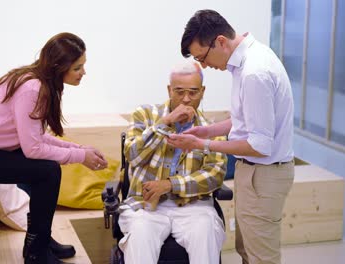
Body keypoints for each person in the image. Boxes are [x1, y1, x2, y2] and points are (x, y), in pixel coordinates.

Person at [0, 32, 107, 264]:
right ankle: (36, 252)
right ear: (59, 66)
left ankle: (39, 240)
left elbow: (37, 137)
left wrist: (80, 148)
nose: (83, 72)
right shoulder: (32, 89)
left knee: (44, 168)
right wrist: (80, 156)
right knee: (47, 171)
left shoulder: (36, 81)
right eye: (78, 67)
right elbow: (33, 149)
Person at [167, 10, 295, 264]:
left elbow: (259, 144)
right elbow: (247, 120)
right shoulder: (248, 61)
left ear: (221, 42)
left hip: (264, 172)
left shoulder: (253, 73)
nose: (203, 65)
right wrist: (208, 130)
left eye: (202, 57)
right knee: (247, 249)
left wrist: (201, 144)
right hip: (254, 173)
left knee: (261, 257)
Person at [119, 60, 227, 264]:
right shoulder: (145, 114)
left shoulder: (211, 129)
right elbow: (133, 156)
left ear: (202, 91)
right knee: (141, 233)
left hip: (194, 207)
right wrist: (164, 123)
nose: (186, 99)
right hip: (146, 205)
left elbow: (215, 175)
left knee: (205, 232)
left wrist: (170, 184)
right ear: (169, 90)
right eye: (179, 92)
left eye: (193, 92)